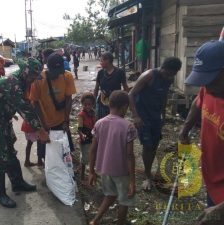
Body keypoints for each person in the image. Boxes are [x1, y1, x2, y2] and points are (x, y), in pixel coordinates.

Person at [0, 57, 49, 208]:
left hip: (2, 120)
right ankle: (0, 195)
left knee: (10, 152)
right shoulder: (13, 82)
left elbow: (21, 103)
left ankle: (17, 183)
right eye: (33, 76)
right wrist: (40, 129)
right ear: (26, 73)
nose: (34, 80)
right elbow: (24, 107)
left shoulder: (22, 82)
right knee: (0, 158)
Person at [178, 40, 224, 224]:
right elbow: (199, 101)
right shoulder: (212, 88)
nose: (205, 85)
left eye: (209, 79)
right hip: (212, 182)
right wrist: (184, 130)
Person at [128, 56, 182, 191]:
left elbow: (163, 95)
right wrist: (135, 116)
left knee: (155, 145)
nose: (169, 76)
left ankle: (148, 170)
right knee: (147, 145)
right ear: (162, 68)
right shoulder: (149, 76)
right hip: (143, 116)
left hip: (156, 116)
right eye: (167, 73)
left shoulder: (169, 78)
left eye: (172, 75)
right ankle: (147, 176)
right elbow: (130, 94)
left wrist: (163, 114)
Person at [88, 90, 137, 225]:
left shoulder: (99, 123)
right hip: (121, 171)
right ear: (124, 107)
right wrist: (132, 181)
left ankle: (95, 221)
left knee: (110, 195)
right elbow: (129, 155)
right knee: (124, 201)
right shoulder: (128, 126)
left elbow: (93, 150)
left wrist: (91, 171)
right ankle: (120, 222)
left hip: (104, 169)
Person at [29, 52, 77, 155]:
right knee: (47, 156)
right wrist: (43, 125)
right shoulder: (38, 80)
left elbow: (69, 98)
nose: (57, 74)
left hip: (61, 123)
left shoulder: (67, 76)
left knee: (65, 153)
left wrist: (66, 120)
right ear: (48, 67)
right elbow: (35, 103)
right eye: (54, 71)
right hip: (45, 124)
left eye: (59, 71)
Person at [93, 52, 129, 120]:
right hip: (102, 104)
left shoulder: (119, 72)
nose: (100, 63)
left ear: (108, 60)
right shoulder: (100, 73)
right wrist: (93, 102)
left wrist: (126, 103)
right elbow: (96, 88)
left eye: (101, 60)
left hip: (116, 105)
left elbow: (125, 88)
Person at [77, 92, 96, 181]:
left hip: (92, 137)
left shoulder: (93, 113)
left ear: (93, 104)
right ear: (82, 104)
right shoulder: (81, 115)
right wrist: (82, 135)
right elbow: (79, 128)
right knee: (84, 157)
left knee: (92, 155)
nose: (88, 106)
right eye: (85, 105)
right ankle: (82, 175)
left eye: (89, 104)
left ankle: (92, 172)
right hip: (84, 138)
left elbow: (95, 124)